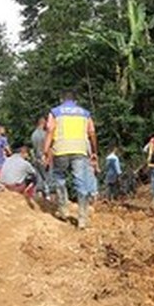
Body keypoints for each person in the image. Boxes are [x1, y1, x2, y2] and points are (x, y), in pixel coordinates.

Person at [42, 91, 99, 229]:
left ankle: (63, 210)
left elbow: (50, 130)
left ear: (62, 100)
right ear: (76, 101)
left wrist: (45, 150)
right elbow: (92, 133)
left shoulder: (55, 112)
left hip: (60, 149)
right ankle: (82, 218)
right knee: (80, 182)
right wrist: (94, 152)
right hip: (80, 150)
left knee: (59, 177)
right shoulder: (85, 113)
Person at [30, 113, 50, 199]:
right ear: (43, 122)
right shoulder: (45, 134)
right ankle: (48, 196)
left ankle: (39, 195)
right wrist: (47, 158)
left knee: (39, 177)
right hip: (43, 158)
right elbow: (47, 148)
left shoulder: (33, 134)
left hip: (36, 158)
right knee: (47, 178)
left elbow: (34, 148)